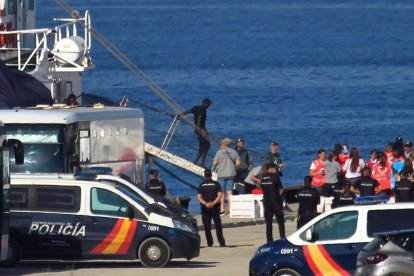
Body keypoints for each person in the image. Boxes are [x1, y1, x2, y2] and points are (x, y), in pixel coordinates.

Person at [196, 169, 225, 247]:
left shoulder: (201, 185)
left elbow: (198, 197)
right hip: (214, 207)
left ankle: (210, 243)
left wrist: (205, 203)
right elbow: (220, 195)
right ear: (211, 175)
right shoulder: (216, 184)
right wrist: (213, 203)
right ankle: (221, 242)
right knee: (218, 225)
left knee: (207, 226)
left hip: (205, 207)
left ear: (204, 175)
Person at [212, 138, 240, 215]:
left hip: (221, 174)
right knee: (229, 192)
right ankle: (231, 209)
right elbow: (238, 163)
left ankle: (222, 209)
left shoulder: (219, 152)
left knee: (221, 193)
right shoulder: (234, 152)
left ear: (223, 144)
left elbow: (214, 163)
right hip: (231, 173)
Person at [181, 98, 212, 168]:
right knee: (207, 145)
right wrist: (200, 130)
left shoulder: (196, 108)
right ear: (206, 103)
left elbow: (187, 112)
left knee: (202, 145)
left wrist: (179, 115)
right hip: (201, 130)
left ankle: (196, 161)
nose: (208, 107)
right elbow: (199, 119)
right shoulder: (203, 110)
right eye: (208, 105)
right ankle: (202, 162)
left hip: (198, 130)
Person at [260, 163, 285, 242]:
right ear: (272, 169)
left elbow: (261, 187)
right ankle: (282, 237)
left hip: (266, 201)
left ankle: (269, 239)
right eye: (275, 169)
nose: (276, 170)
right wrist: (279, 195)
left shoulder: (262, 177)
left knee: (269, 222)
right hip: (275, 200)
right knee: (280, 221)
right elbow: (281, 189)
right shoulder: (275, 176)